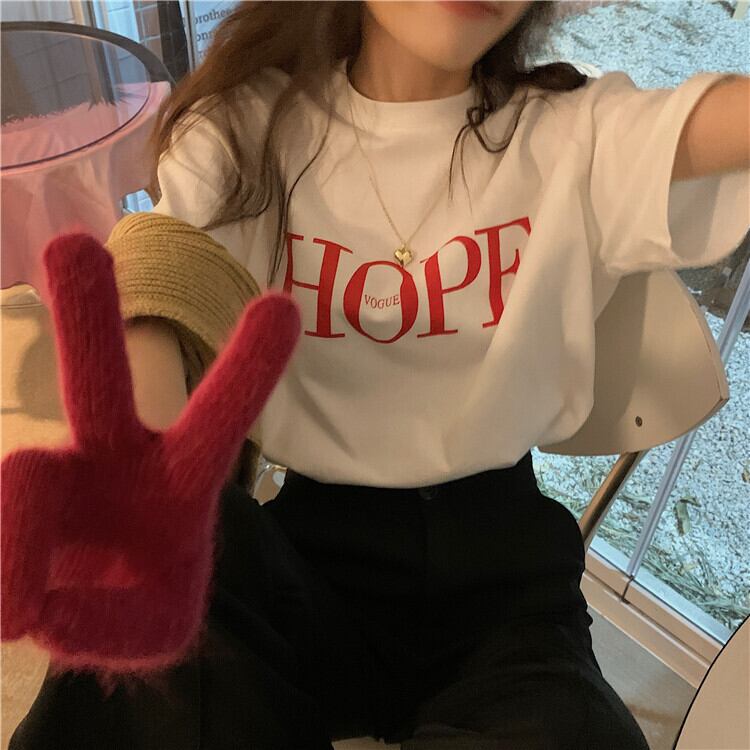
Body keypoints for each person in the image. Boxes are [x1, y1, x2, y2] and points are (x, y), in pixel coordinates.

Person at [8, 2, 749, 749]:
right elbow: (172, 265)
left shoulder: (577, 133)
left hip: (506, 596)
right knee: (138, 659)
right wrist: (143, 457)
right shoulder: (247, 126)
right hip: (307, 564)